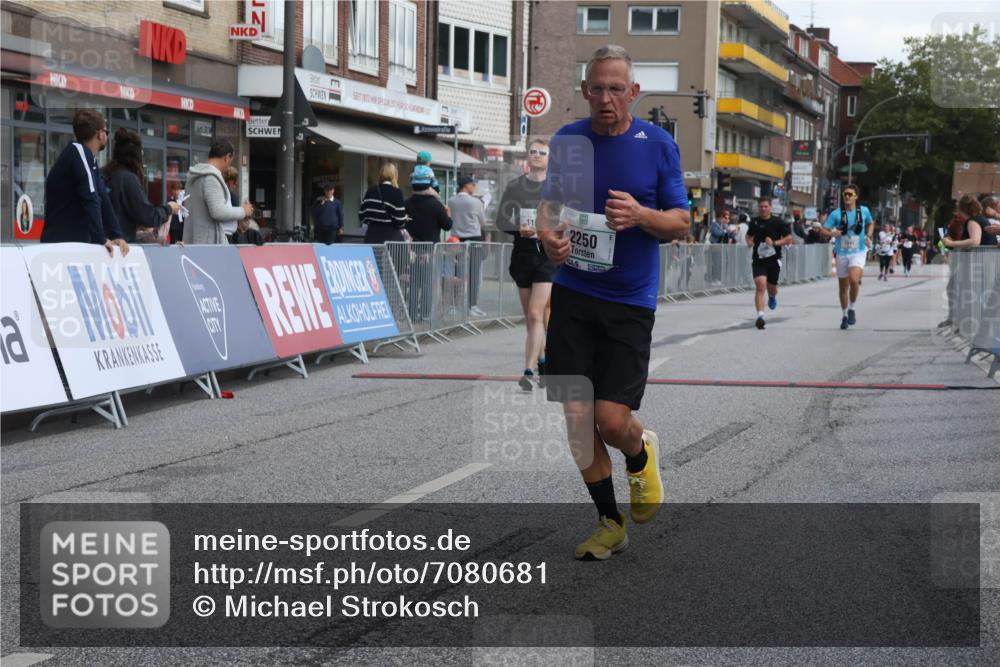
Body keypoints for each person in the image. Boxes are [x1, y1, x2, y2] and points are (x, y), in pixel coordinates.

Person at [538, 45, 690, 560]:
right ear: (584, 91)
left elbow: (681, 222)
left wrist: (642, 216)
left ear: (634, 93)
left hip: (629, 300)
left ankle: (639, 448)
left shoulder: (658, 144)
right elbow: (549, 206)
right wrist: (548, 239)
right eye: (597, 88)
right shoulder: (567, 140)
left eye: (616, 88)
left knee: (610, 418)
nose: (606, 98)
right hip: (574, 292)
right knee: (577, 418)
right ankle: (609, 521)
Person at [497, 137, 555, 391]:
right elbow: (500, 220)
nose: (536, 155)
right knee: (534, 319)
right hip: (522, 256)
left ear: (550, 158)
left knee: (535, 313)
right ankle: (543, 360)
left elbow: (567, 220)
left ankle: (528, 370)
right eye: (532, 151)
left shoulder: (556, 188)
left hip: (546, 256)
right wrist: (517, 229)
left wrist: (544, 230)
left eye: (542, 152)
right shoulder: (515, 186)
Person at [41, 108, 129, 256]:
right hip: (61, 247)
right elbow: (91, 196)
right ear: (100, 134)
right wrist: (100, 238)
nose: (107, 136)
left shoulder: (87, 159)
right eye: (106, 132)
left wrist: (116, 236)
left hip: (70, 244)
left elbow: (102, 198)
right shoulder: (78, 152)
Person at [103, 128, 180, 243]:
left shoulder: (104, 174)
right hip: (121, 247)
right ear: (137, 155)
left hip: (102, 244)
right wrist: (169, 209)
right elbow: (148, 216)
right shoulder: (128, 179)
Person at [817, 184, 873, 330]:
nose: (847, 197)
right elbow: (823, 230)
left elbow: (871, 223)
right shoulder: (836, 214)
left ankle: (852, 308)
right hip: (842, 252)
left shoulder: (864, 211)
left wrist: (868, 235)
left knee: (854, 279)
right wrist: (831, 234)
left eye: (850, 194)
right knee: (843, 287)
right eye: (845, 194)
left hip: (858, 251)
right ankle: (844, 315)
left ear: (856, 196)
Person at [183, 140, 252, 245]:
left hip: (196, 241)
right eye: (231, 161)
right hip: (209, 246)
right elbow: (218, 212)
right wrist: (243, 211)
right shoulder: (210, 178)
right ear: (227, 157)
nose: (229, 165)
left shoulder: (195, 176)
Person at [404, 175, 452, 321]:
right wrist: (447, 211)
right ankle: (424, 314)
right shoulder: (436, 205)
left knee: (413, 282)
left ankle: (412, 313)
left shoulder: (406, 203)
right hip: (430, 249)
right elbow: (447, 225)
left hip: (410, 249)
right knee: (426, 282)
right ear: (428, 187)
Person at [747, 197, 793, 330]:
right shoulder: (754, 222)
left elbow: (789, 239)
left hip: (774, 259)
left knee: (772, 288)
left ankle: (772, 297)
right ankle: (760, 316)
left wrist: (774, 243)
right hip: (759, 259)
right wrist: (749, 242)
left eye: (765, 206)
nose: (763, 209)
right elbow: (749, 236)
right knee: (760, 285)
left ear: (770, 208)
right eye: (761, 207)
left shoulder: (778, 222)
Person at [448, 175, 488, 318]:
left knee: (457, 272)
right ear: (466, 185)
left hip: (457, 239)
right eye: (473, 184)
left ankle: (454, 305)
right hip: (474, 239)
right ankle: (472, 305)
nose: (474, 187)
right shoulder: (475, 202)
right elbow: (483, 222)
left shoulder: (451, 201)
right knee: (474, 273)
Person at [361, 162, 408, 244]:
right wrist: (405, 218)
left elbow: (362, 216)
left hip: (371, 238)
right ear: (395, 175)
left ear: (380, 174)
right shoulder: (397, 193)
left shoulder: (371, 191)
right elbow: (400, 222)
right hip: (391, 241)